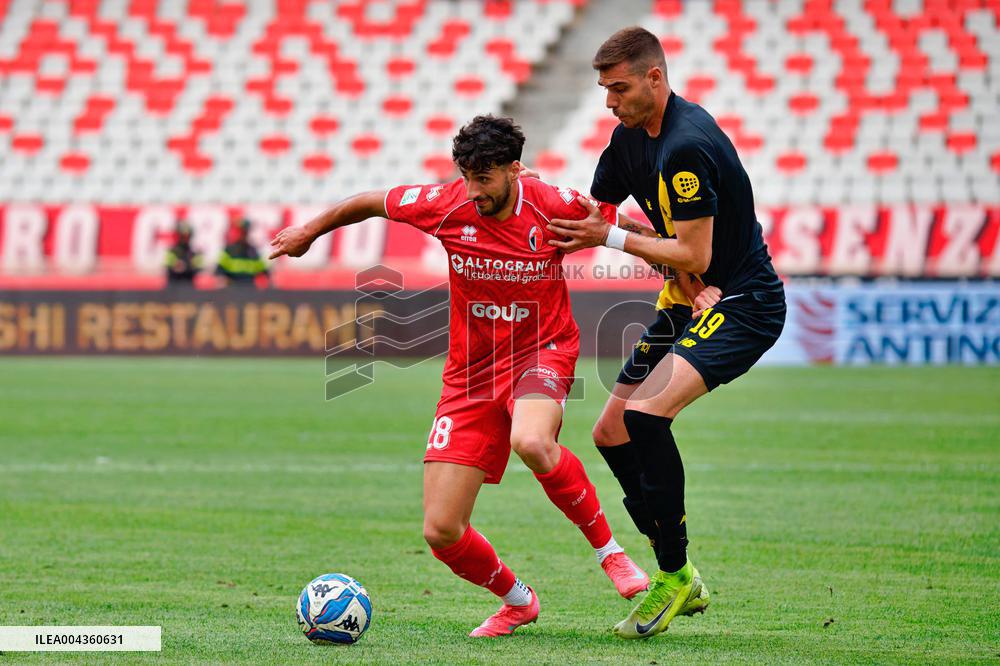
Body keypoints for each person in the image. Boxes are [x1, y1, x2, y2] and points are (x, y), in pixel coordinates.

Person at [269, 115, 649, 638]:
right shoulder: (446, 203)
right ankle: (518, 602)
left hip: (543, 350)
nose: (473, 190)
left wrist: (685, 271)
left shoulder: (553, 203)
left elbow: (612, 227)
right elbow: (368, 201)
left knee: (533, 441)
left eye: (485, 177)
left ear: (515, 169)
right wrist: (309, 231)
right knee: (442, 530)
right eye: (466, 175)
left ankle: (612, 555)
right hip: (469, 374)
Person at [545, 27, 787, 639]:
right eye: (603, 89)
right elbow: (595, 216)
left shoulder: (686, 143)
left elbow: (695, 249)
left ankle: (675, 575)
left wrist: (626, 243)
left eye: (618, 88)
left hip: (744, 301)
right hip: (689, 297)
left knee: (647, 418)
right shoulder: (627, 142)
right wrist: (524, 190)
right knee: (609, 432)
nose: (609, 102)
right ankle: (677, 570)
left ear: (655, 77)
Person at [217, 216, 269, 286]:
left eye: (245, 232)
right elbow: (219, 273)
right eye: (240, 231)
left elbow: (265, 273)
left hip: (250, 291)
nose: (243, 234)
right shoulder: (229, 251)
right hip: (232, 291)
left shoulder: (253, 252)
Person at [164, 220, 202, 284]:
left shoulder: (194, 253)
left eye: (187, 236)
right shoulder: (172, 252)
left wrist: (186, 267)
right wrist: (175, 267)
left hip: (189, 286)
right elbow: (168, 269)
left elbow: (198, 269)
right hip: (174, 286)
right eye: (183, 236)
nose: (185, 239)